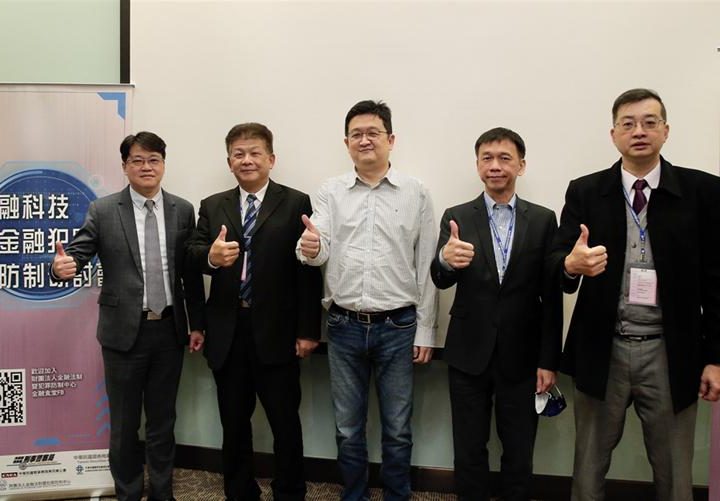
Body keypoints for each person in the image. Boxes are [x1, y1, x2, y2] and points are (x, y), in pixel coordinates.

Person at [549, 88, 720, 500]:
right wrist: (571, 264)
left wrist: (715, 357)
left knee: (675, 471)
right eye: (628, 124)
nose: (638, 131)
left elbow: (717, 280)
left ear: (666, 130)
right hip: (603, 347)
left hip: (670, 350)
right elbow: (556, 262)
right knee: (588, 466)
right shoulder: (586, 191)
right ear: (613, 134)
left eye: (649, 122)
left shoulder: (703, 191)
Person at [51, 131, 205, 501]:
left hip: (169, 330)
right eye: (137, 160)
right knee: (123, 425)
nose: (146, 167)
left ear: (163, 164)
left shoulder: (182, 209)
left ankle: (163, 493)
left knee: (163, 421)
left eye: (154, 159)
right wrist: (61, 268)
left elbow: (190, 274)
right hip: (122, 334)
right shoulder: (104, 210)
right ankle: (129, 493)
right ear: (125, 166)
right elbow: (77, 255)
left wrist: (196, 323)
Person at [298, 100, 438, 501]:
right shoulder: (330, 191)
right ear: (346, 143)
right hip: (343, 325)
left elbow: (427, 265)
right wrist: (310, 248)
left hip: (398, 326)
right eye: (356, 134)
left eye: (373, 133)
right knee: (347, 427)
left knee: (398, 428)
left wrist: (426, 330)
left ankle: (397, 495)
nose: (364, 140)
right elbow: (317, 247)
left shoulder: (416, 192)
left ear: (391, 139)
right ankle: (354, 495)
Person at [186, 123, 322, 501]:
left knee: (284, 422)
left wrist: (308, 330)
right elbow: (192, 254)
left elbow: (308, 271)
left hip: (278, 331)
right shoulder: (212, 205)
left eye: (255, 153)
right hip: (228, 331)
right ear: (229, 161)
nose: (247, 160)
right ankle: (240, 491)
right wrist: (210, 257)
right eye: (239, 154)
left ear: (271, 159)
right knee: (233, 422)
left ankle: (289, 492)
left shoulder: (296, 202)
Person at [430, 127, 562, 501]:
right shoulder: (457, 216)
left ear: (521, 165)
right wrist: (445, 260)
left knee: (519, 449)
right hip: (468, 353)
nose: (495, 166)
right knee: (468, 447)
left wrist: (548, 359)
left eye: (505, 158)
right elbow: (439, 278)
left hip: (523, 356)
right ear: (477, 165)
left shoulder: (543, 219)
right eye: (487, 158)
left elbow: (551, 295)